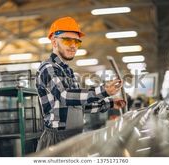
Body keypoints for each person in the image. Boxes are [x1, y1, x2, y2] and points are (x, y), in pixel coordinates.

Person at [35, 16, 126, 151]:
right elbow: (65, 96)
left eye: (77, 42)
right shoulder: (48, 68)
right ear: (54, 42)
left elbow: (81, 106)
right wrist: (104, 91)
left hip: (74, 138)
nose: (73, 46)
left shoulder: (69, 72)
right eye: (67, 40)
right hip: (56, 141)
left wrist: (111, 103)